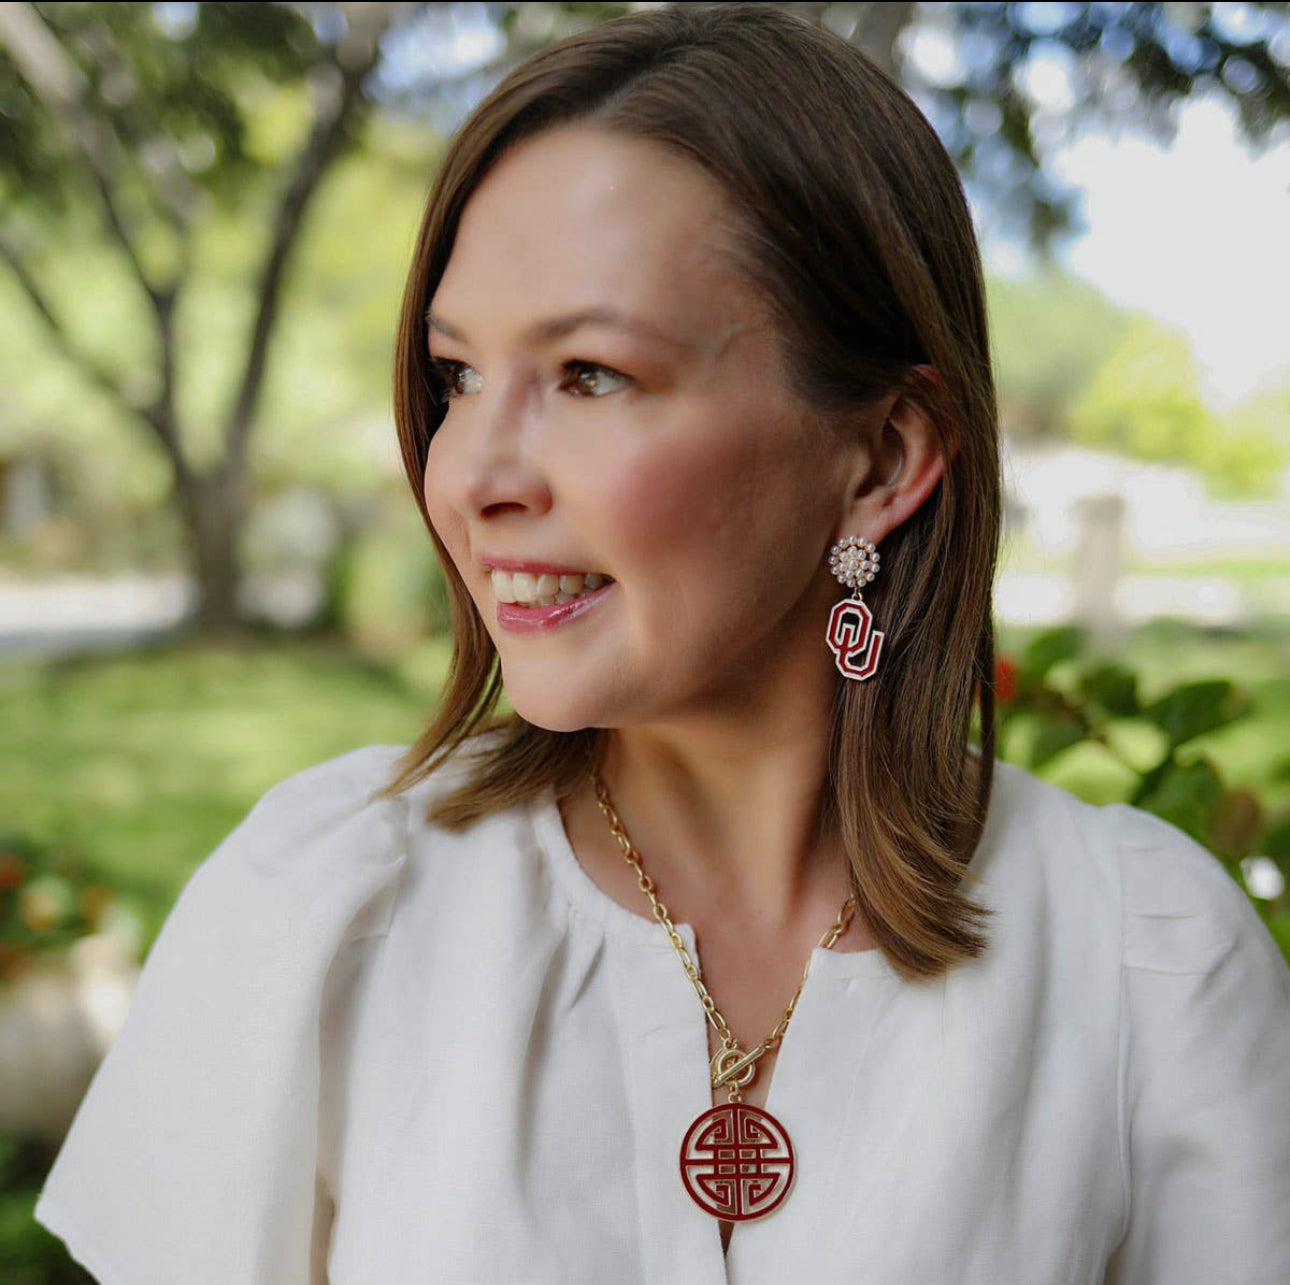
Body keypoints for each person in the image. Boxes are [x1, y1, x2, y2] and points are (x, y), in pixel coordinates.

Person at [33, 6, 1290, 1283]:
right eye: (456, 374)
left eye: (589, 373)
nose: (471, 473)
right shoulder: (325, 909)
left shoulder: (1143, 956)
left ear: (884, 459)